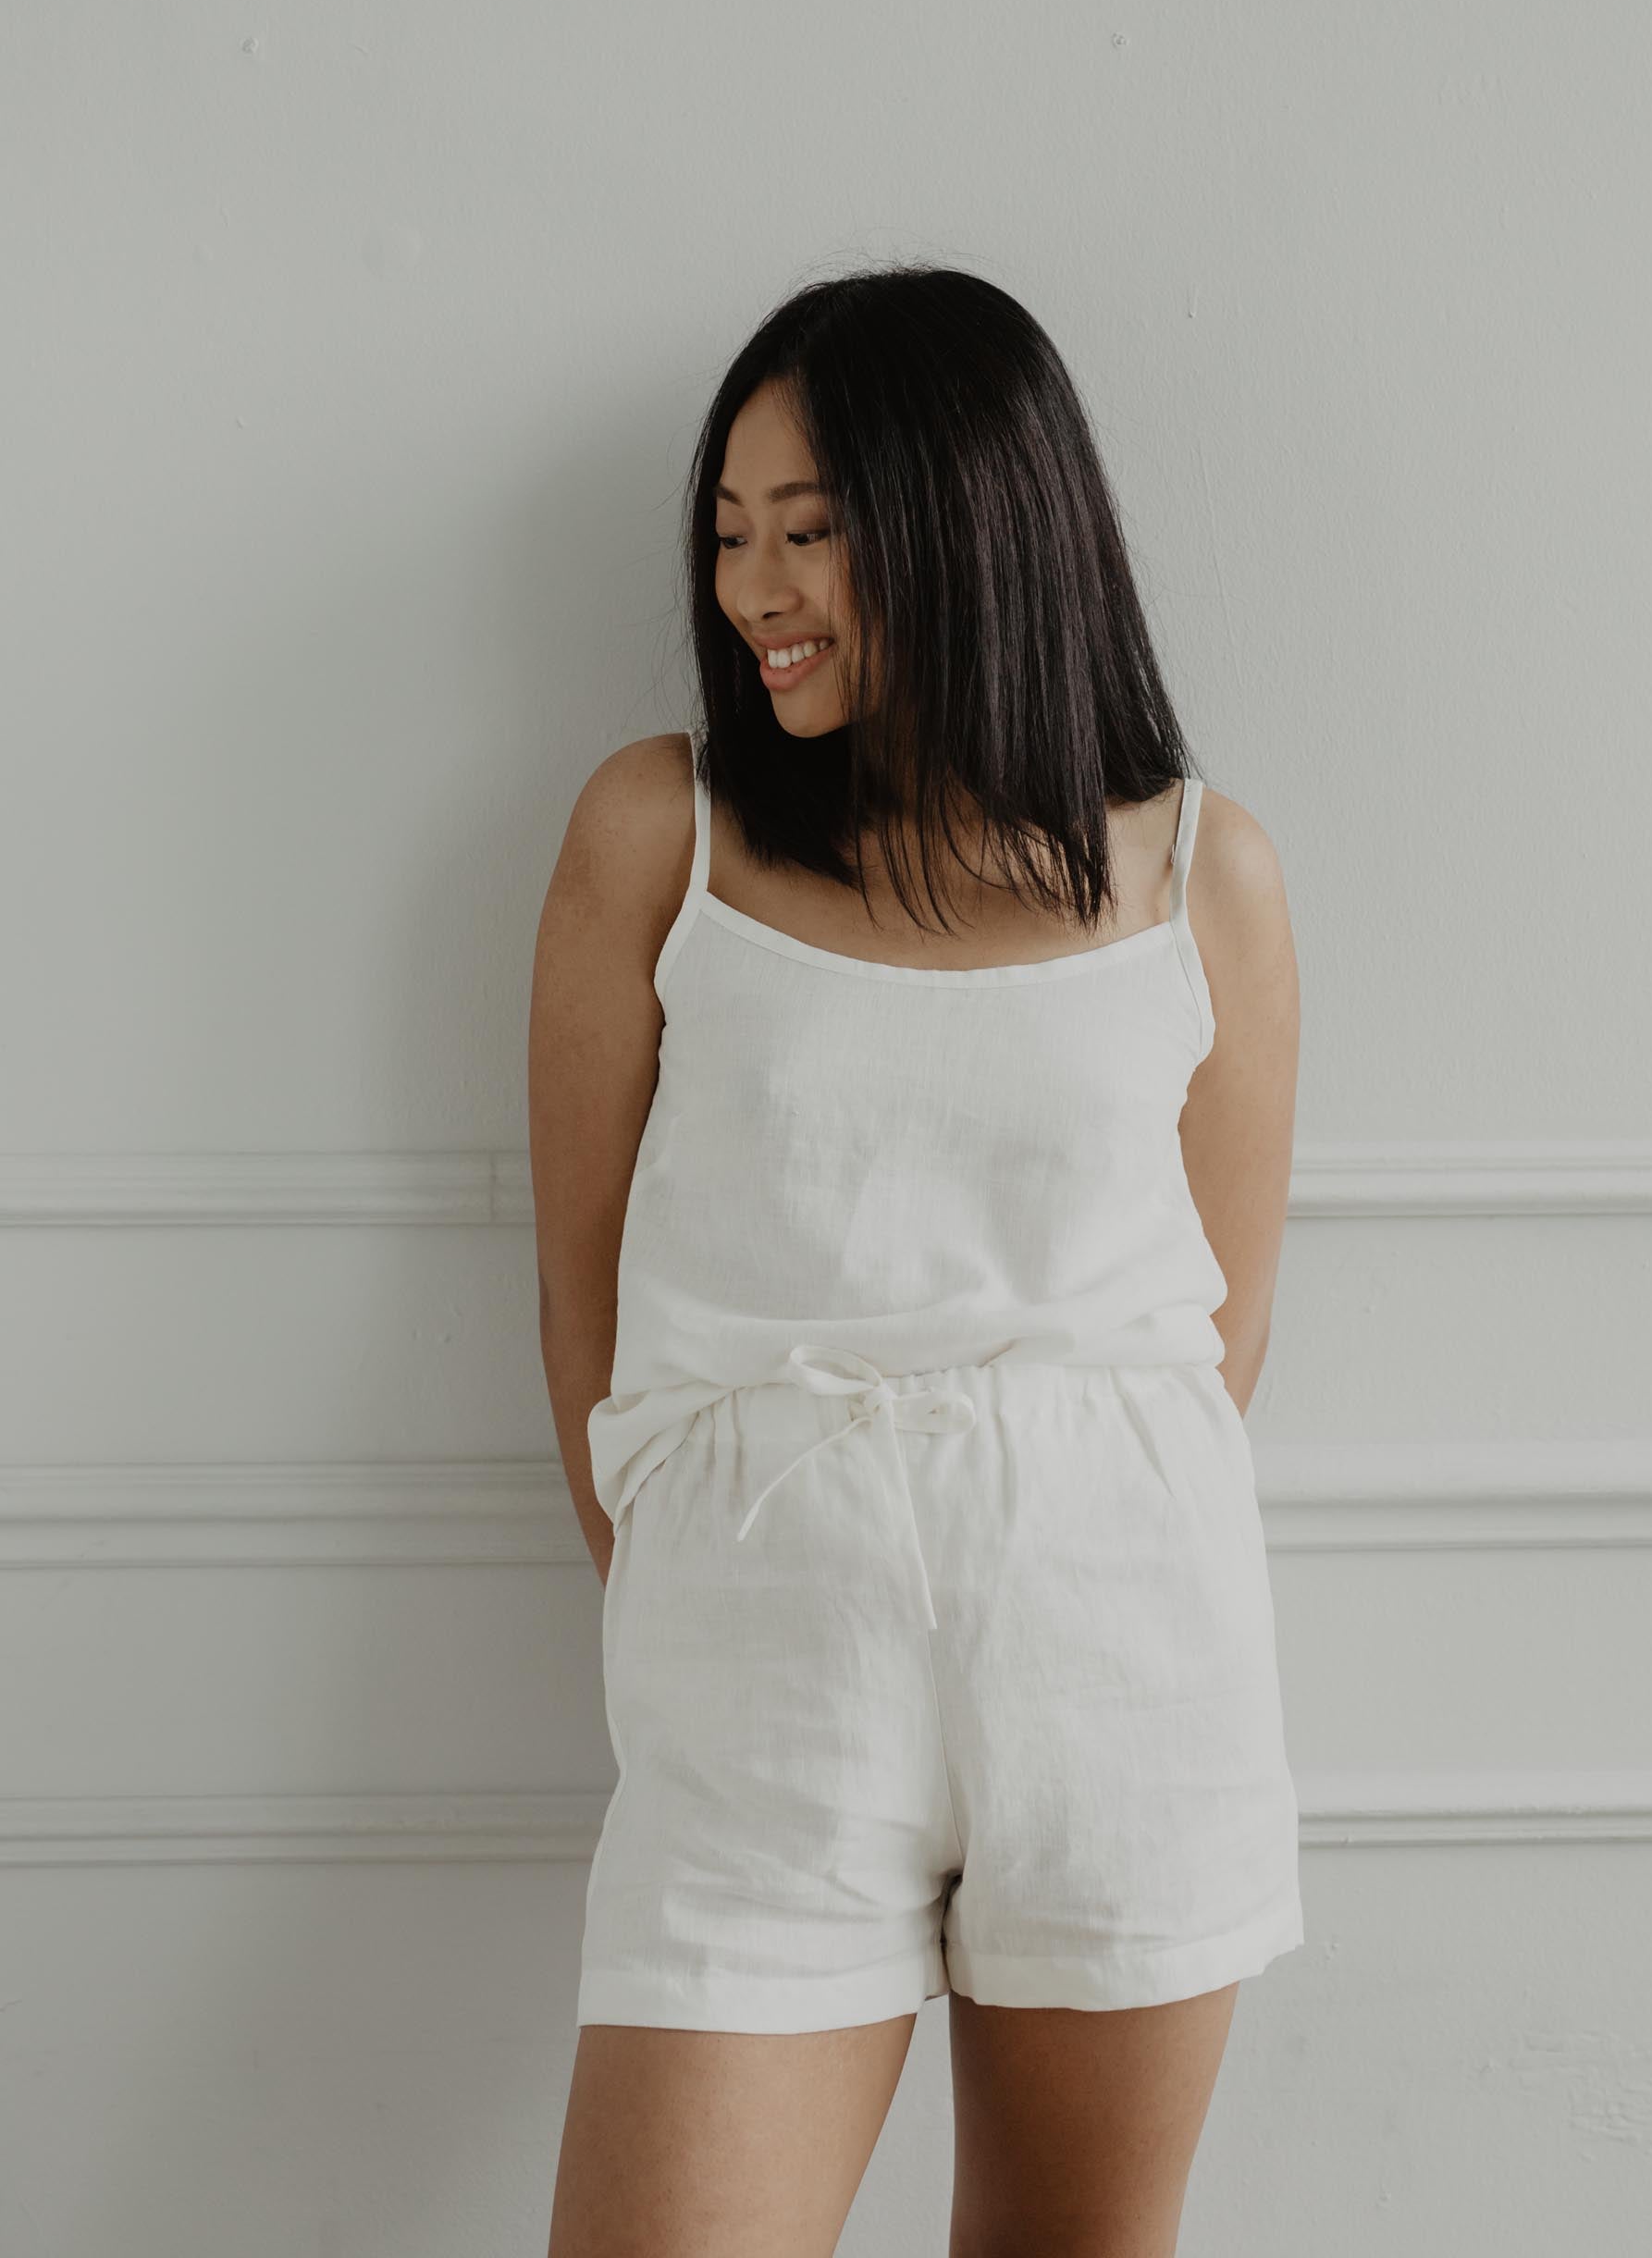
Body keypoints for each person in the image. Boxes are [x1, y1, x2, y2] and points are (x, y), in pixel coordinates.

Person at [532, 265, 1303, 2258]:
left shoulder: (1199, 871)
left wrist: (1013, 1545)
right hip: (762, 1675)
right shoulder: (659, 835)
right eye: (727, 536)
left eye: (807, 533)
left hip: (1121, 1660)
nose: (751, 592)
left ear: (971, 525)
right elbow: (586, 1310)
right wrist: (745, 1589)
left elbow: (1214, 1336)